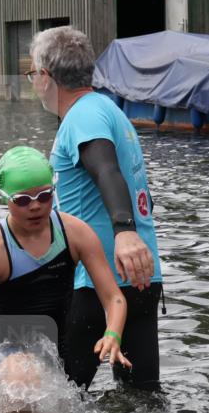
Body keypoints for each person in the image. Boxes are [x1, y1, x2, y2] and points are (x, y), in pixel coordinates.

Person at [0, 147, 130, 413]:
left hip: (50, 335)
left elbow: (114, 298)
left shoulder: (75, 232)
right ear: (5, 199)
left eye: (44, 196)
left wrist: (113, 334)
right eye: (23, 200)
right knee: (22, 382)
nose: (35, 207)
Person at [28, 25, 164, 392]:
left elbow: (105, 168)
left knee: (58, 398)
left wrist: (123, 233)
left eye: (32, 74)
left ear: (46, 76)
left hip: (96, 281)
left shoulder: (82, 117)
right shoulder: (108, 109)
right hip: (141, 276)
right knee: (142, 399)